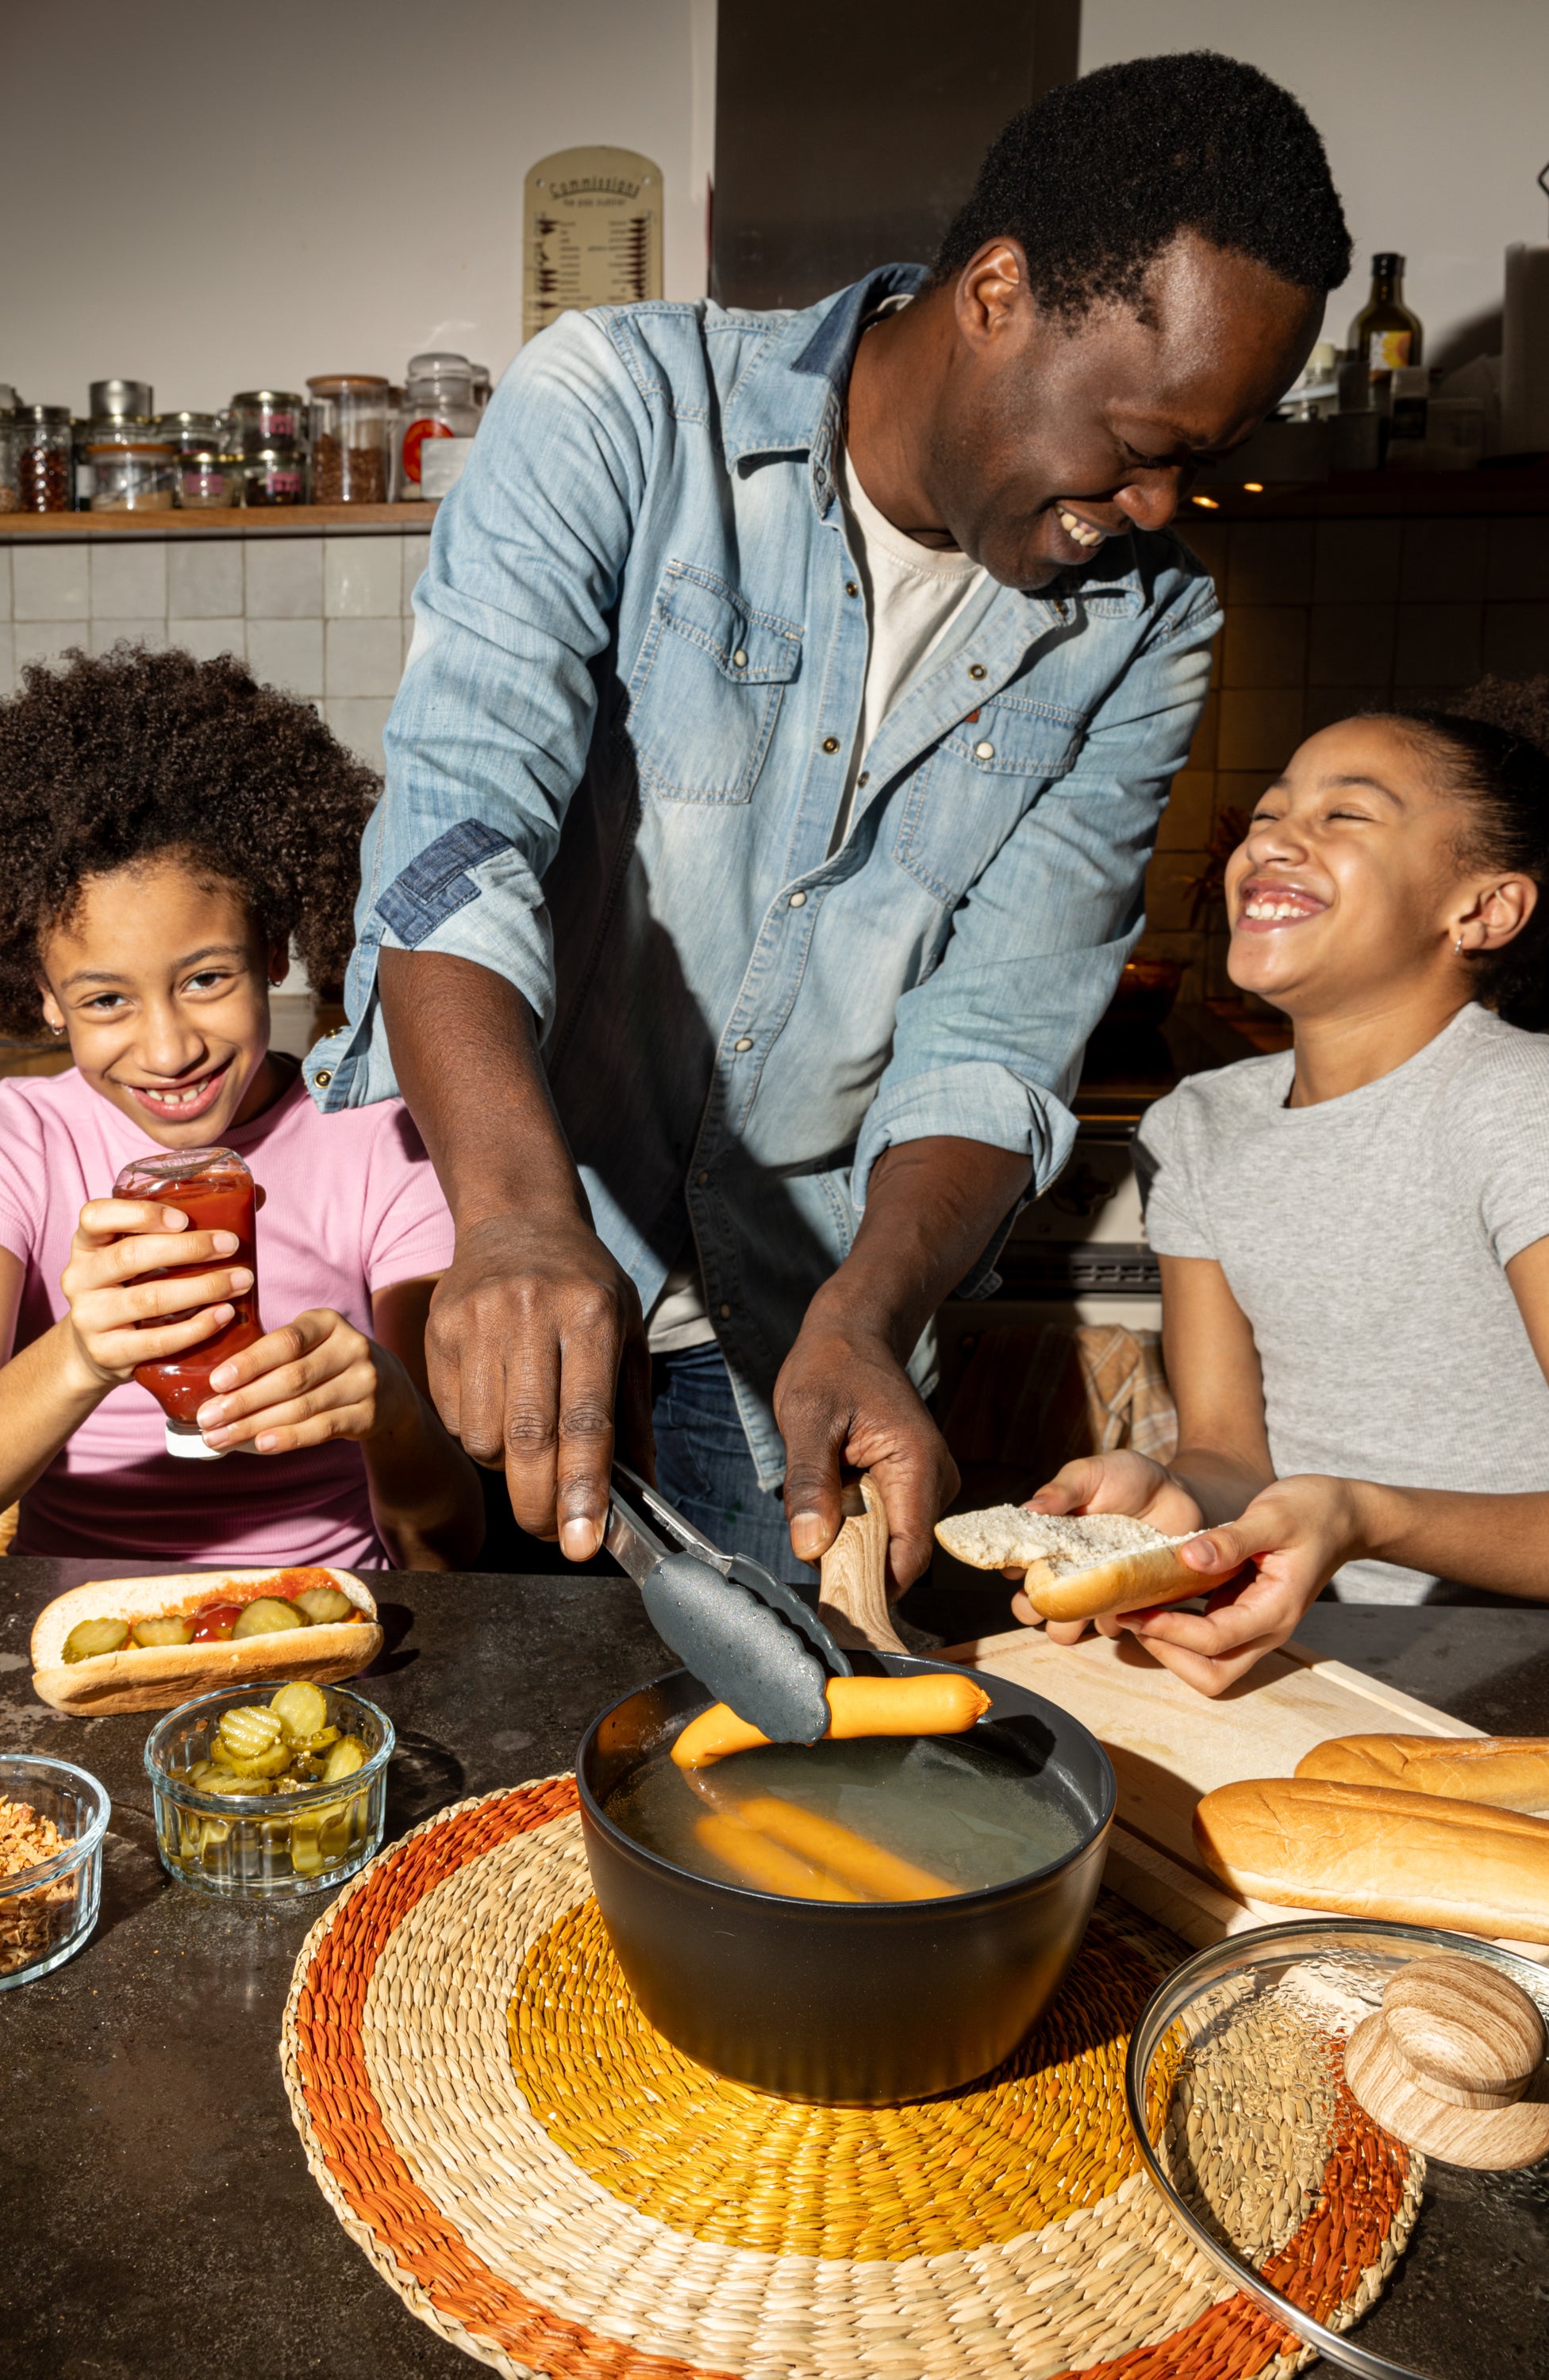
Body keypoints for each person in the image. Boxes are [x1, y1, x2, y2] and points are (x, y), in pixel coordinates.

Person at [306, 52, 1350, 1589]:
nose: (1155, 513)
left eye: (1202, 465)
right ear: (994, 293)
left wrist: (867, 1314)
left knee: (774, 1789)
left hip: (789, 1327)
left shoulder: (1148, 628)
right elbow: (462, 840)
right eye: (1139, 448)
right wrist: (521, 1219)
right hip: (480, 1256)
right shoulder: (617, 410)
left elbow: (996, 1034)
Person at [1012, 693, 1549, 1694]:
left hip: (1530, 1666)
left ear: (1483, 910)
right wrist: (1165, 1504)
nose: (1273, 842)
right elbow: (1229, 1452)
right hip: (1313, 1654)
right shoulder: (1194, 1125)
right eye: (1270, 814)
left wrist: (1365, 1516)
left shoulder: (1527, 1107)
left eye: (1344, 815)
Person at [0, 646, 484, 1572]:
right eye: (104, 1000)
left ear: (274, 951)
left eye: (207, 978)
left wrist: (387, 1408)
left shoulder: (381, 1140)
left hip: (333, 1621)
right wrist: (83, 1357)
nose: (170, 1048)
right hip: (87, 1622)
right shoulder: (21, 1144)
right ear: (45, 997)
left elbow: (449, 1546)